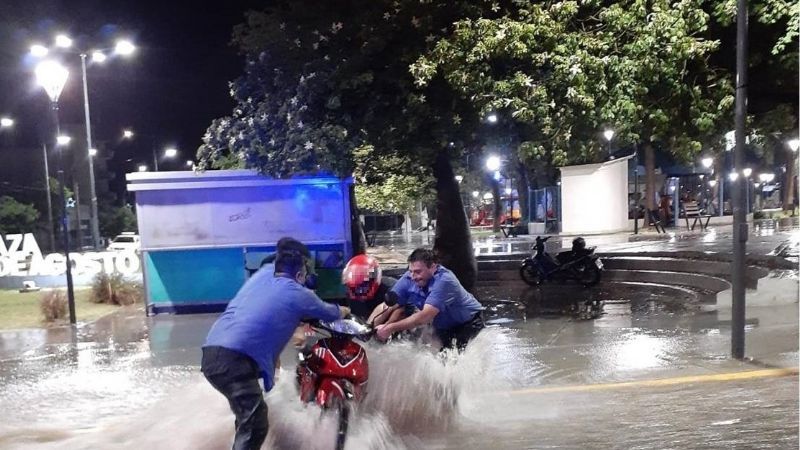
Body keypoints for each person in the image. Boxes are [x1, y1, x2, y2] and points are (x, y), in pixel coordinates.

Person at [201, 244, 350, 450]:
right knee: (256, 423)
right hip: (236, 359)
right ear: (300, 274)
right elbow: (331, 312)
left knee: (247, 417)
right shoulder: (299, 293)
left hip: (211, 353)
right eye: (306, 273)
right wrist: (346, 310)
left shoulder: (261, 276)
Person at [375, 248, 484, 351]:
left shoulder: (444, 281)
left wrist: (390, 328)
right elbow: (388, 305)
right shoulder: (410, 277)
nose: (413, 277)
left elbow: (425, 317)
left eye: (418, 272)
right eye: (411, 271)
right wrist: (370, 327)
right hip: (442, 326)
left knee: (452, 360)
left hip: (468, 324)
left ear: (433, 267)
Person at [340, 254, 401, 323]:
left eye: (362, 287)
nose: (358, 291)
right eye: (354, 288)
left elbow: (393, 308)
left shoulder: (392, 289)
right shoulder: (351, 292)